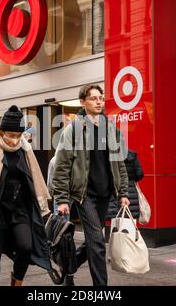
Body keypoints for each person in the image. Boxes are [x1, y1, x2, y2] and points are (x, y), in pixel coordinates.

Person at [52, 84, 129, 286]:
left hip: (105, 194)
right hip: (84, 195)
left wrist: (123, 192)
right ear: (82, 102)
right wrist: (61, 199)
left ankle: (68, 266)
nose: (98, 102)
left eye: (101, 98)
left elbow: (118, 162)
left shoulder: (110, 127)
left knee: (93, 242)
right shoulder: (74, 130)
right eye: (93, 98)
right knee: (97, 241)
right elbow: (62, 165)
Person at [0, 105, 52, 286]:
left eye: (18, 136)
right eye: (10, 135)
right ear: (1, 132)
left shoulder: (25, 151)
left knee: (26, 246)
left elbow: (33, 179)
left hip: (19, 209)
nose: (14, 140)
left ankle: (17, 280)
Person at [107, 149, 144, 220]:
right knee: (129, 219)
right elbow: (140, 174)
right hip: (131, 191)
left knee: (114, 218)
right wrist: (131, 180)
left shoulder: (111, 155)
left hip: (115, 189)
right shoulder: (132, 156)